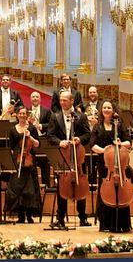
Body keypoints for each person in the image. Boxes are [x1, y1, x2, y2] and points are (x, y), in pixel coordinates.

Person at [45, 90, 91, 227]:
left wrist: (79, 139)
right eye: (60, 100)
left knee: (80, 183)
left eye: (65, 100)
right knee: (62, 186)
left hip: (77, 154)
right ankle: (60, 218)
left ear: (72, 101)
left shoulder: (81, 117)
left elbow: (87, 135)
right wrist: (60, 142)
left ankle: (82, 217)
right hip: (63, 155)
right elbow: (50, 136)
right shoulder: (55, 116)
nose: (62, 102)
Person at [91, 100, 133, 233]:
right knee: (105, 192)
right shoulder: (97, 127)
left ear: (113, 110)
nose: (107, 110)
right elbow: (92, 145)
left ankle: (122, 224)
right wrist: (105, 151)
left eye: (109, 107)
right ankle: (106, 224)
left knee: (121, 191)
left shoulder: (119, 126)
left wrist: (120, 144)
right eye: (104, 108)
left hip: (119, 164)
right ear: (101, 110)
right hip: (105, 165)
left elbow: (129, 142)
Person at [4, 107, 40, 223]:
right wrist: (14, 160)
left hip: (29, 162)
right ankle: (20, 215)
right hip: (18, 161)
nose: (22, 115)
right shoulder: (12, 130)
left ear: (27, 115)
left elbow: (37, 144)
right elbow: (11, 148)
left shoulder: (32, 128)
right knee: (18, 189)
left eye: (24, 113)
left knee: (29, 190)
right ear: (17, 115)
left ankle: (29, 215)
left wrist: (30, 136)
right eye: (20, 113)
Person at [28, 91, 52, 187]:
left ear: (40, 99)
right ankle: (32, 186)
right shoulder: (26, 110)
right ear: (30, 99)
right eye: (33, 97)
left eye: (37, 97)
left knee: (45, 164)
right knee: (31, 164)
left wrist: (41, 126)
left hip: (42, 139)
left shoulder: (46, 111)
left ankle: (46, 186)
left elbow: (51, 124)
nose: (35, 98)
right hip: (30, 141)